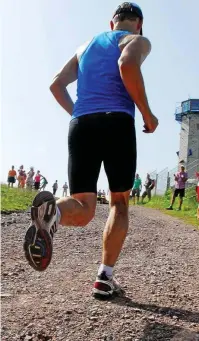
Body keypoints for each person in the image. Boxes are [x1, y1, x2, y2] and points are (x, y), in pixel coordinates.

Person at [24, 2, 158, 299]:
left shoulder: (84, 46)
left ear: (111, 23)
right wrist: (147, 114)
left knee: (82, 208)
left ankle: (53, 213)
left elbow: (56, 84)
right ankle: (104, 278)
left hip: (81, 124)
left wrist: (80, 112)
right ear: (139, 24)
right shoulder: (136, 40)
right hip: (117, 122)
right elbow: (127, 64)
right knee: (119, 204)